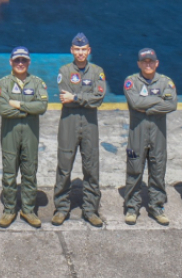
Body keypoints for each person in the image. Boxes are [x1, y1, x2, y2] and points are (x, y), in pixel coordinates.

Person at [51, 33, 106, 227]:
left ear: (89, 51)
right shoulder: (64, 71)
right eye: (77, 49)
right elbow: (64, 96)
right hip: (69, 123)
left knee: (91, 167)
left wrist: (75, 98)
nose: (81, 53)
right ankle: (61, 208)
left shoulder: (98, 71)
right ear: (71, 50)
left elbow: (98, 99)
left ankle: (91, 209)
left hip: (90, 125)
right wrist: (84, 98)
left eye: (84, 49)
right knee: (64, 166)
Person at [121, 47, 176, 226]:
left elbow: (172, 104)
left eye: (151, 61)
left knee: (158, 169)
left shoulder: (166, 82)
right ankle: (132, 206)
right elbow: (135, 102)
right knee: (134, 169)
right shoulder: (131, 82)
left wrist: (147, 108)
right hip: (137, 132)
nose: (148, 64)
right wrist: (159, 101)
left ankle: (156, 206)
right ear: (139, 64)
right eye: (144, 62)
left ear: (157, 63)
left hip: (158, 133)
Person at [0, 46, 49, 228]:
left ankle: (28, 210)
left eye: (23, 60)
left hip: (30, 134)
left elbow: (41, 107)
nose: (20, 63)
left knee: (29, 171)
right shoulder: (3, 83)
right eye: (17, 60)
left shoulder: (38, 83)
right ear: (11, 62)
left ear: (29, 62)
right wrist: (28, 108)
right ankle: (9, 210)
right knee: (9, 172)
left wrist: (16, 104)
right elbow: (3, 109)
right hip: (10, 134)